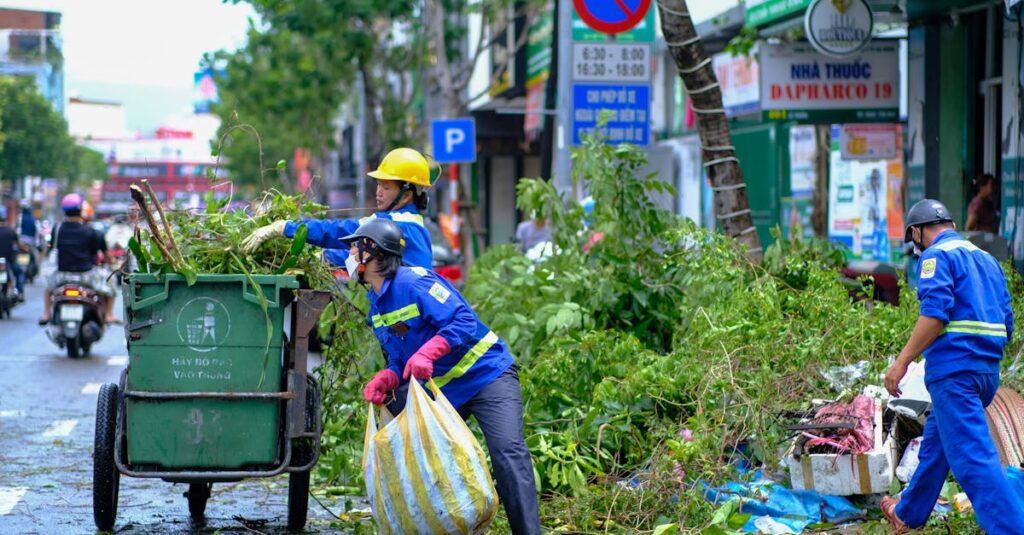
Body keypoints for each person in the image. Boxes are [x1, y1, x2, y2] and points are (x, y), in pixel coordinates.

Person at [347, 219, 541, 534]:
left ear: (373, 253)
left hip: (487, 376)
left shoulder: (416, 282)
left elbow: (464, 320)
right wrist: (389, 376)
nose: (350, 254)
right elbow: (399, 356)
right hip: (444, 389)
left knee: (507, 452)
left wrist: (430, 352)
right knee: (417, 454)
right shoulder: (375, 306)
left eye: (355, 247)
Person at [881, 199, 1024, 533]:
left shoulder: (936, 256)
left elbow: (934, 315)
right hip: (986, 373)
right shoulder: (988, 260)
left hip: (955, 373)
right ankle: (908, 512)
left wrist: (901, 363)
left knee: (974, 461)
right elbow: (1007, 322)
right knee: (939, 442)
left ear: (917, 232)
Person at [241, 147, 434, 269]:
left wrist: (285, 228)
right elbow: (365, 255)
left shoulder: (393, 227)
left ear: (407, 194)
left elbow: (341, 231)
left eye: (386, 187)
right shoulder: (413, 226)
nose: (378, 192)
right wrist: (322, 257)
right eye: (378, 185)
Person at [39, 194, 118, 324]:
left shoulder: (57, 229)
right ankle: (109, 314)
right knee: (112, 281)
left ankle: (46, 313)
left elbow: (51, 248)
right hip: (87, 275)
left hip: (62, 275)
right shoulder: (92, 232)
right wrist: (113, 263)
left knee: (48, 287)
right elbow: (104, 256)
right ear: (81, 210)